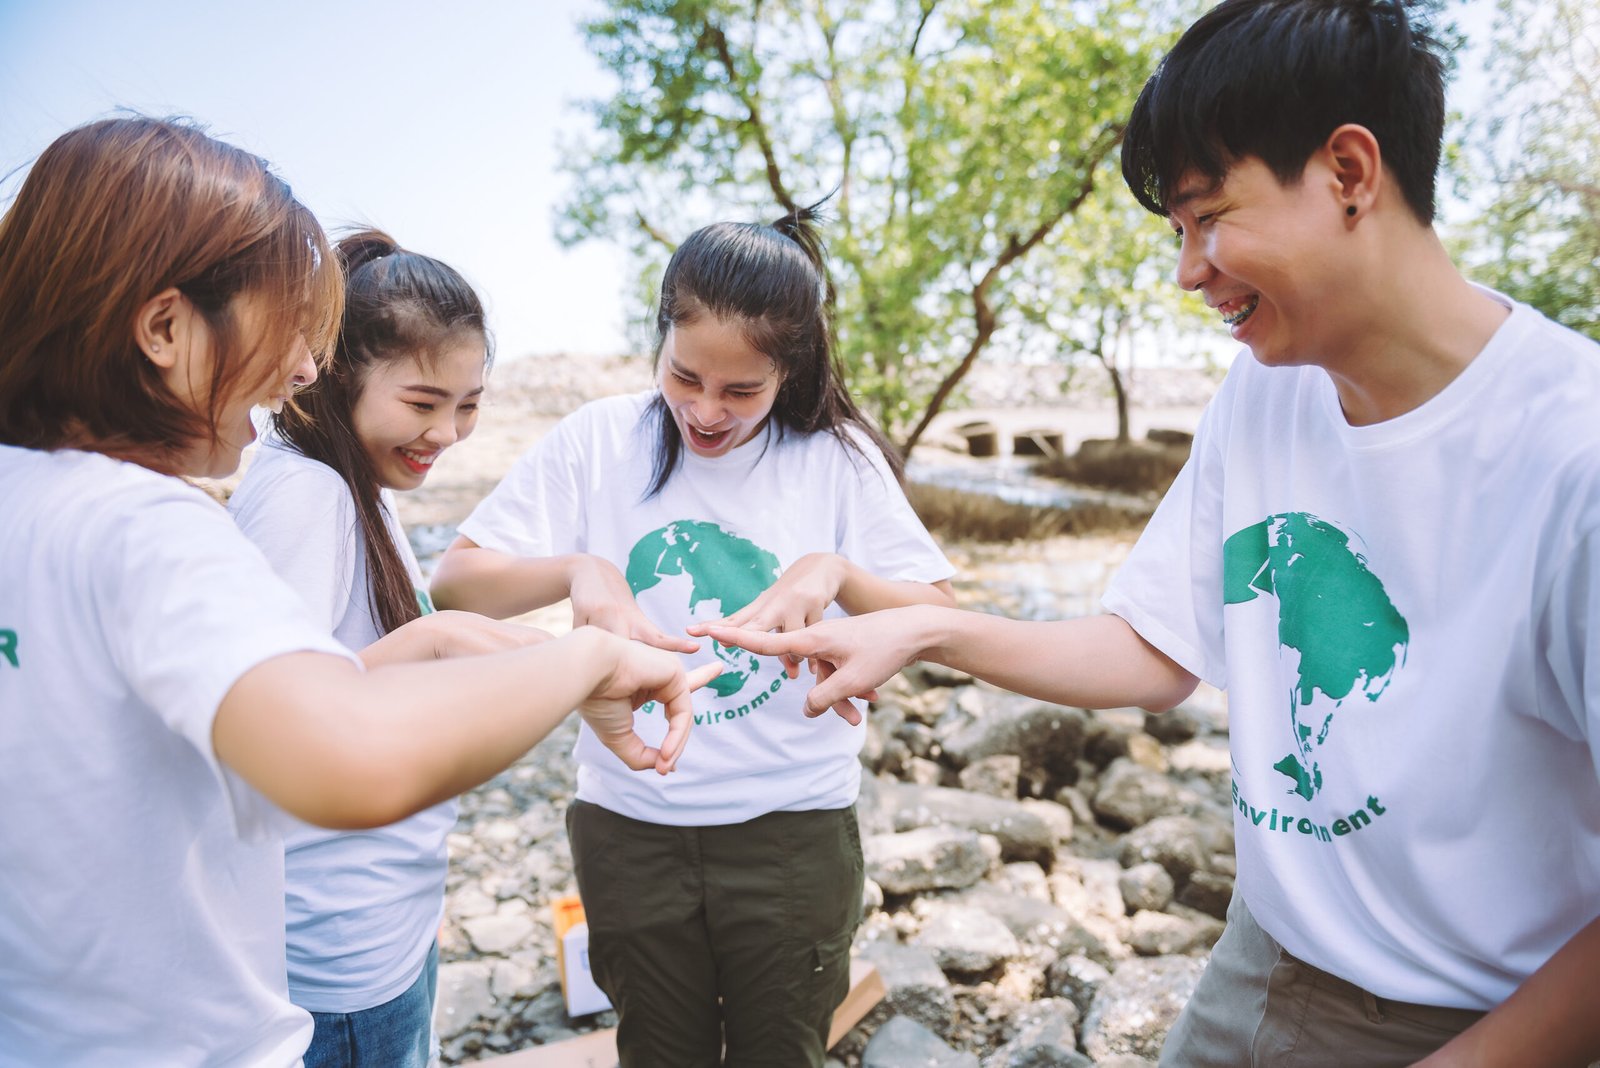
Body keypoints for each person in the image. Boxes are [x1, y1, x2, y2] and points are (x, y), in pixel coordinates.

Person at [703, 1, 1600, 1064]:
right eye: (1179, 232)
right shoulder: (1267, 393)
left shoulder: (1571, 457)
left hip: (1478, 1016)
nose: (1187, 270)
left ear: (1350, 173)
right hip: (1260, 960)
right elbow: (1155, 647)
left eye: (1209, 217)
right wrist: (923, 633)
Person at [0, 116, 713, 1067]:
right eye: (283, 328)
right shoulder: (145, 527)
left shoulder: (27, 498)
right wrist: (589, 657)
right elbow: (344, 760)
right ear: (165, 329)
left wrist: (436, 642)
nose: (301, 369)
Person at [429, 205, 956, 1067]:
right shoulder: (600, 440)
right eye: (685, 377)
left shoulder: (835, 459)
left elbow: (939, 611)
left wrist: (835, 573)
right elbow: (457, 583)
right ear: (661, 338)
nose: (707, 412)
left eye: (742, 391)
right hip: (632, 824)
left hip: (793, 831)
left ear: (791, 370)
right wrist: (577, 573)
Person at [228, 229, 505, 1067]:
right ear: (339, 373)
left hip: (380, 920)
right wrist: (437, 640)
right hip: (336, 956)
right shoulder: (308, 495)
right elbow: (277, 717)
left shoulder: (361, 483)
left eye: (468, 405)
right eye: (423, 404)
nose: (448, 432)